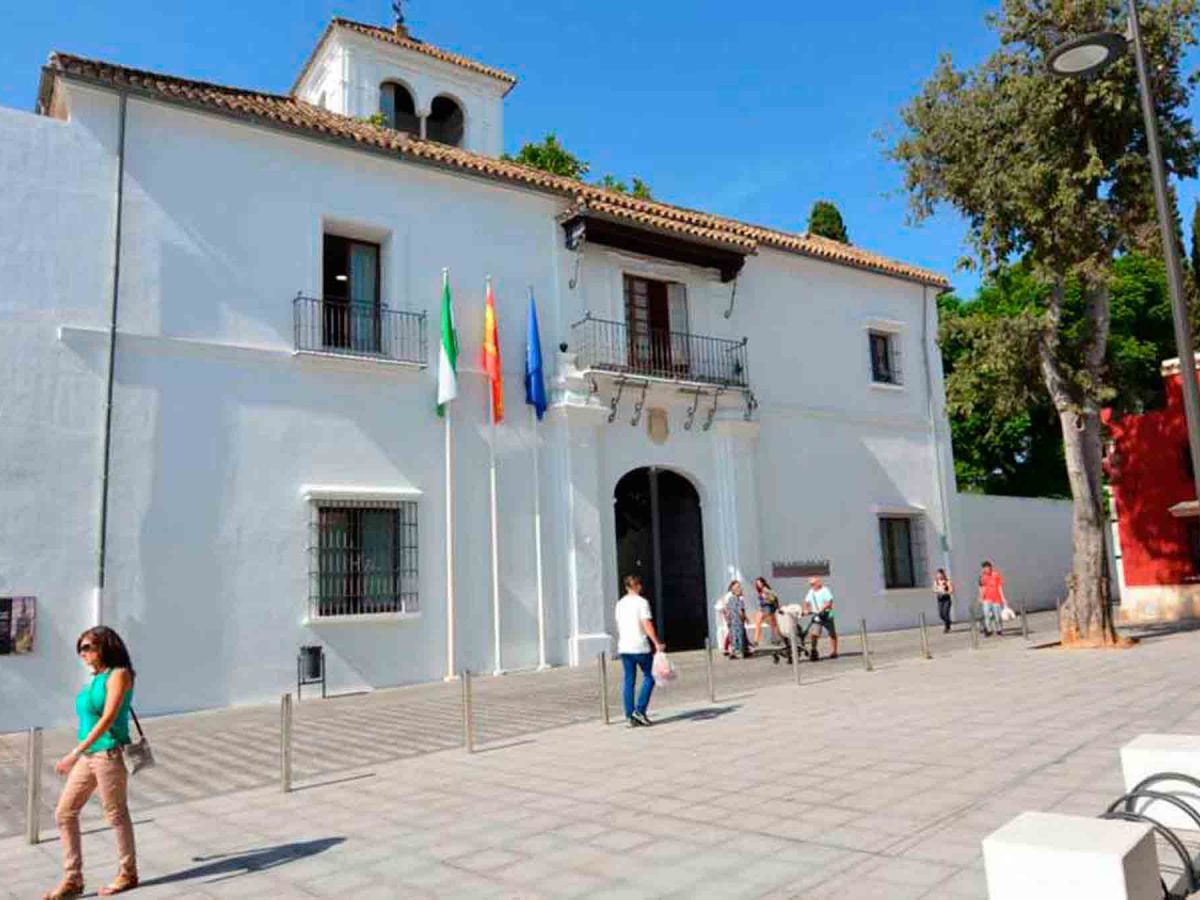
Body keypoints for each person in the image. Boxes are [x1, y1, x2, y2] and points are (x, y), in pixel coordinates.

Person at [45, 627, 139, 899]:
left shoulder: (119, 674)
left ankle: (128, 873)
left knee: (116, 814)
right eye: (81, 649)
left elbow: (108, 718)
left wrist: (74, 753)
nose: (83, 654)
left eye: (88, 647)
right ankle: (73, 879)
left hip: (109, 753)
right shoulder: (96, 678)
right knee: (64, 812)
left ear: (105, 647)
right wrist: (81, 752)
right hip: (89, 755)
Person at [614, 575, 664, 727]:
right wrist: (657, 642)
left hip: (624, 646)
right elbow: (646, 624)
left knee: (629, 680)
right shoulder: (642, 603)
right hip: (639, 646)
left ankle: (629, 715)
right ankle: (640, 710)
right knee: (651, 675)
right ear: (637, 586)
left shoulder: (620, 604)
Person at [804, 576, 839, 660]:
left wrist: (822, 609)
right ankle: (814, 650)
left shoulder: (825, 590)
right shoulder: (811, 592)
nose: (811, 586)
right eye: (810, 584)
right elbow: (806, 602)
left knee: (832, 633)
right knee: (814, 634)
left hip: (827, 615)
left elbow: (829, 602)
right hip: (817, 616)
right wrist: (805, 609)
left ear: (818, 583)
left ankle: (834, 651)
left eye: (813, 584)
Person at [978, 560, 1008, 636]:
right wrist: (981, 597)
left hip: (996, 599)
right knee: (986, 614)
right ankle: (988, 630)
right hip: (987, 599)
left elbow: (999, 587)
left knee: (997, 616)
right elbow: (982, 588)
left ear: (990, 567)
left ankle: (999, 629)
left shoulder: (996, 575)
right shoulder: (982, 577)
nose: (985, 569)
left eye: (987, 568)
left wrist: (1003, 598)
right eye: (984, 568)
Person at [724, 580, 751, 659]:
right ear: (735, 590)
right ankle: (741, 652)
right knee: (740, 636)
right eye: (739, 587)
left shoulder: (730, 599)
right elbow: (740, 612)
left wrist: (728, 620)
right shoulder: (739, 600)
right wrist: (746, 619)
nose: (741, 589)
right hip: (738, 622)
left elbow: (727, 611)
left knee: (734, 636)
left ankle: (736, 652)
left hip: (732, 622)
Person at [752, 576, 783, 646]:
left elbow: (774, 598)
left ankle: (757, 641)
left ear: (763, 583)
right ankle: (778, 638)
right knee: (772, 625)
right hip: (765, 608)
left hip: (768, 608)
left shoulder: (766, 590)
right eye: (757, 583)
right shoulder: (762, 591)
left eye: (759, 583)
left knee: (772, 625)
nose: (758, 585)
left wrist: (767, 598)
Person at [934, 569, 954, 633]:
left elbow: (951, 590)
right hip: (940, 599)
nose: (939, 576)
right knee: (941, 614)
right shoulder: (936, 582)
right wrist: (938, 591)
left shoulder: (947, 581)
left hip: (946, 599)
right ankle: (948, 621)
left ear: (943, 574)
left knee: (945, 613)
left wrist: (945, 592)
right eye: (938, 574)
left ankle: (947, 627)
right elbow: (934, 589)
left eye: (940, 574)